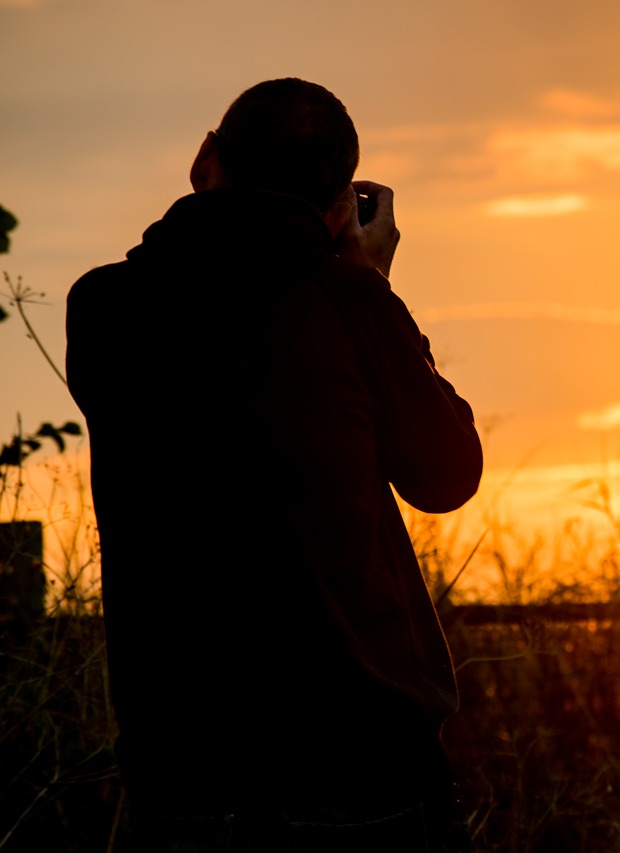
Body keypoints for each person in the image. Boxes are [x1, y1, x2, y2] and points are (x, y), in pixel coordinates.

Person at [65, 78, 482, 851]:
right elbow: (446, 474)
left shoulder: (105, 307)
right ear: (338, 206)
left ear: (204, 160)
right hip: (358, 774)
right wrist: (371, 285)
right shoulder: (348, 303)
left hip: (181, 777)